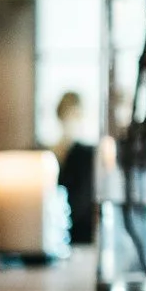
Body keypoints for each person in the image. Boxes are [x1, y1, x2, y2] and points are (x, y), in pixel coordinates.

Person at [52, 91, 98, 246]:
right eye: (67, 114)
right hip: (51, 232)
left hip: (79, 236)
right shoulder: (48, 155)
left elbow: (82, 200)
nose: (70, 120)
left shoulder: (87, 155)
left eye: (75, 115)